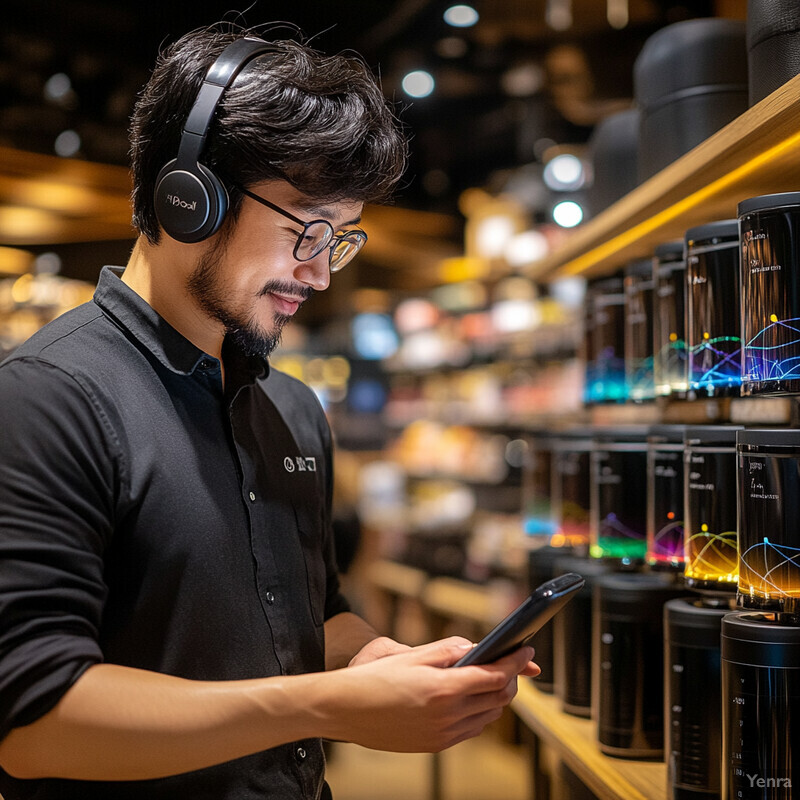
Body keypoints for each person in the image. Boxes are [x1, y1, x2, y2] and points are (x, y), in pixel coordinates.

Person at [0, 25, 538, 800]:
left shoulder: (289, 407)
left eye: (340, 239)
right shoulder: (45, 398)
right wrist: (325, 706)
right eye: (305, 227)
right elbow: (33, 722)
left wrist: (377, 660)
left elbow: (310, 616)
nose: (320, 272)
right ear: (189, 196)